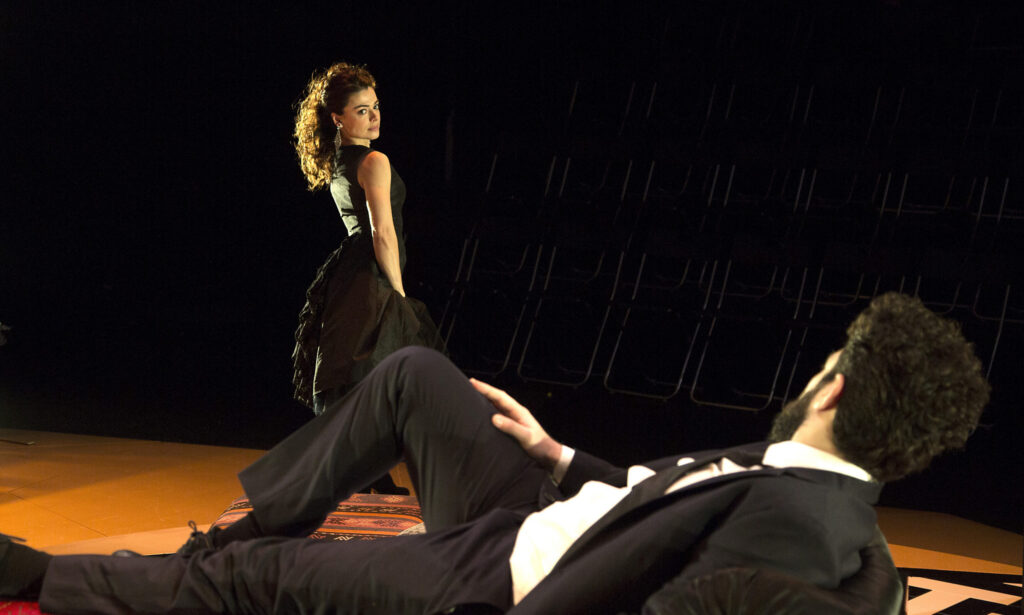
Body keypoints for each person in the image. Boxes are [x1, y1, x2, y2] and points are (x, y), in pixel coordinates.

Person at [0, 293, 989, 613]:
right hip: (548, 515)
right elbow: (662, 511)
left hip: (497, 576)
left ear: (834, 387)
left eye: (822, 363)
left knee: (258, 580)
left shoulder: (798, 527)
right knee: (415, 375)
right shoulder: (810, 486)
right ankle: (257, 516)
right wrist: (558, 455)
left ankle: (42, 576)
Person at [291, 61, 445, 417]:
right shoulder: (374, 161)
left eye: (375, 106)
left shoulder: (338, 163)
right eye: (362, 110)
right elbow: (382, 233)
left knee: (362, 386)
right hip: (372, 282)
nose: (374, 116)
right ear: (338, 119)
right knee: (386, 387)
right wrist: (399, 294)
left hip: (349, 280)